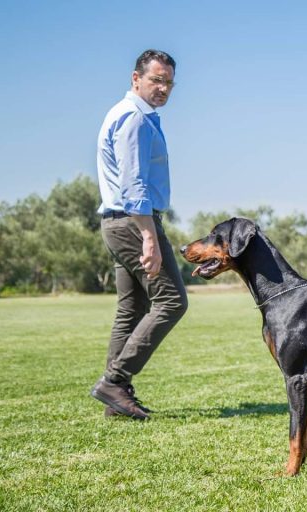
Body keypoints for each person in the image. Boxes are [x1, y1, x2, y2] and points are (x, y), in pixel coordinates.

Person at [90, 49, 187, 420]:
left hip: (119, 223)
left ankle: (116, 399)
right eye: (156, 80)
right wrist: (148, 235)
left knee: (132, 308)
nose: (163, 88)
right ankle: (114, 381)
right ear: (136, 79)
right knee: (171, 301)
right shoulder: (134, 119)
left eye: (169, 83)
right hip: (134, 222)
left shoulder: (128, 114)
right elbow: (133, 184)